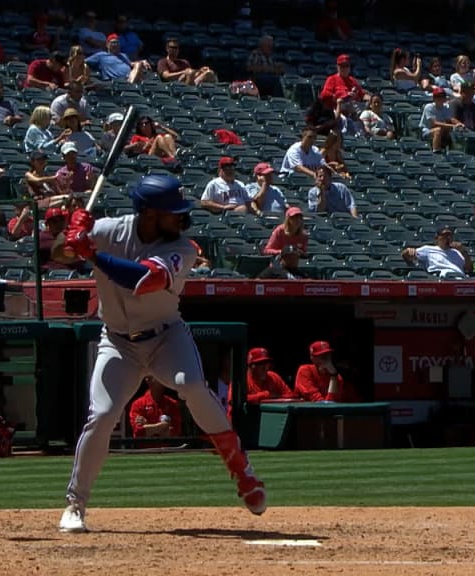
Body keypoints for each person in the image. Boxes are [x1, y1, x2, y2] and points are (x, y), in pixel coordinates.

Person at [57, 174, 266, 533]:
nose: (181, 219)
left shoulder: (183, 248)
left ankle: (240, 467)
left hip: (166, 336)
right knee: (102, 414)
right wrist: (69, 236)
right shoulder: (109, 230)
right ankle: (75, 504)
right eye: (173, 213)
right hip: (118, 341)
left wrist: (89, 251)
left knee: (193, 386)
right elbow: (58, 254)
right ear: (150, 213)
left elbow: (143, 281)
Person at [228, 347, 297, 417]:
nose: (265, 367)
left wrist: (276, 398)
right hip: (241, 422)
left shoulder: (273, 377)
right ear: (251, 366)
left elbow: (291, 395)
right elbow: (233, 400)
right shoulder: (241, 379)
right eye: (261, 363)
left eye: (267, 363)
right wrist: (265, 395)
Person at [401, 227, 472, 278]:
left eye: (449, 236)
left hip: (460, 277)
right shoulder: (428, 249)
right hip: (442, 277)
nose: (447, 238)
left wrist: (463, 252)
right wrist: (408, 251)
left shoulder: (457, 252)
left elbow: (469, 269)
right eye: (444, 236)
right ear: (437, 239)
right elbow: (405, 254)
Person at [128, 377, 182, 441]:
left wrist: (147, 426)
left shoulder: (172, 403)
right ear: (148, 380)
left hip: (168, 448)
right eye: (156, 375)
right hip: (144, 449)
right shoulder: (137, 404)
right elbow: (139, 432)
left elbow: (175, 432)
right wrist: (162, 426)